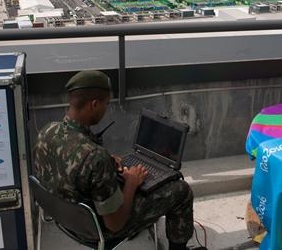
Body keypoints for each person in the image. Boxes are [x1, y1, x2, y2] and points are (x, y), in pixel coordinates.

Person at [33, 70, 205, 250]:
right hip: (99, 229)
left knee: (144, 182)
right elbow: (115, 224)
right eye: (106, 104)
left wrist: (108, 163)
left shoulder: (47, 131)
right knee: (181, 190)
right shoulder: (95, 158)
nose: (106, 109)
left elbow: (72, 164)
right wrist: (131, 182)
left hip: (67, 218)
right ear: (94, 104)